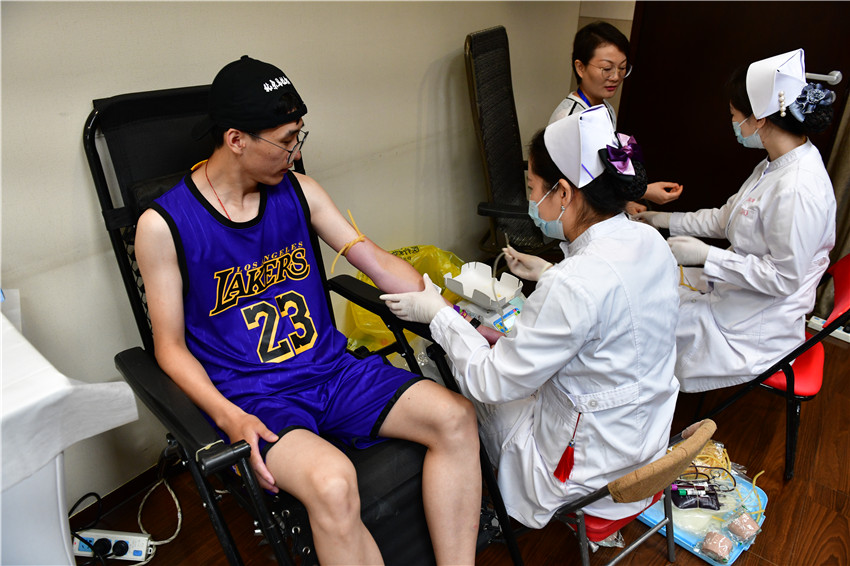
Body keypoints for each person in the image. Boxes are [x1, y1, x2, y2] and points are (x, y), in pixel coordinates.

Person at [134, 56, 482, 565]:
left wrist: (454, 317)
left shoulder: (301, 191)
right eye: (286, 140)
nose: (295, 152)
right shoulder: (163, 225)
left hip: (333, 371)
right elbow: (168, 347)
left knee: (455, 417)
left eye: (299, 136)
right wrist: (230, 418)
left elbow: (373, 260)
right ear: (236, 139)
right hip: (255, 396)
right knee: (333, 483)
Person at [381, 106, 680, 528]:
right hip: (645, 448)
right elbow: (615, 303)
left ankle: (479, 507)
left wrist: (440, 315)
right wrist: (550, 271)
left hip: (585, 477)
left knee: (461, 383)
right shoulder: (649, 240)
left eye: (533, 188)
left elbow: (491, 381)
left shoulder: (574, 283)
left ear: (564, 193)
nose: (531, 201)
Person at [635, 49, 837, 393]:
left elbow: (783, 278)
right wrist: (660, 219)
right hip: (737, 293)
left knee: (643, 322)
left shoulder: (799, 189)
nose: (732, 123)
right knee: (648, 289)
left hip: (756, 326)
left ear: (759, 118)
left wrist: (707, 256)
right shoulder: (774, 164)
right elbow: (726, 219)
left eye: (734, 115)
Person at [549, 21, 682, 212]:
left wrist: (625, 203)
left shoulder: (606, 109)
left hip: (595, 205)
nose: (616, 77)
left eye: (622, 68)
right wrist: (642, 192)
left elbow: (604, 172)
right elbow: (577, 186)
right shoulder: (570, 119)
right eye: (607, 68)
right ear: (580, 68)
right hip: (569, 210)